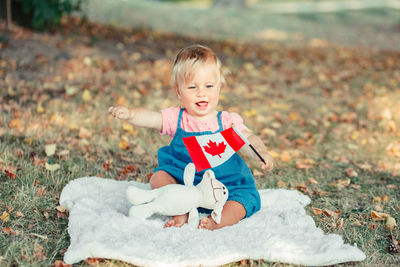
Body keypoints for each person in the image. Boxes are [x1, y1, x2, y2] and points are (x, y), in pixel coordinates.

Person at [108, 44, 273, 230]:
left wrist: (261, 152)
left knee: (242, 201)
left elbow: (247, 139)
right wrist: (130, 114)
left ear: (220, 87)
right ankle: (181, 211)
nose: (201, 92)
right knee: (159, 178)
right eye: (192, 87)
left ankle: (216, 221)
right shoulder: (177, 118)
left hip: (225, 185)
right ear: (178, 91)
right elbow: (152, 118)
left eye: (209, 86)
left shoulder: (226, 121)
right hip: (185, 181)